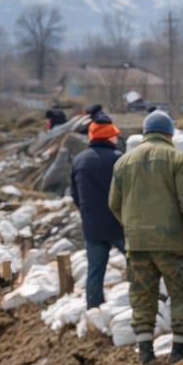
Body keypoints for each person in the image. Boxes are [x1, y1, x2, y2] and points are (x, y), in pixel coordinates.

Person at [108, 108, 183, 364]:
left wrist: (129, 223)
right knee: (182, 292)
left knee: (142, 294)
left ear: (145, 133)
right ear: (170, 133)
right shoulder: (178, 159)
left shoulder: (123, 162)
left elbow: (113, 202)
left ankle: (145, 352)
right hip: (173, 242)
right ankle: (177, 353)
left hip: (137, 243)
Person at [70, 113, 127, 309]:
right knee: (138, 265)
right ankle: (140, 304)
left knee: (95, 271)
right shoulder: (119, 159)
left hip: (92, 227)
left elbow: (75, 195)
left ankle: (93, 310)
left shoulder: (79, 161)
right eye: (114, 135)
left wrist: (88, 214)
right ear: (109, 137)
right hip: (119, 225)